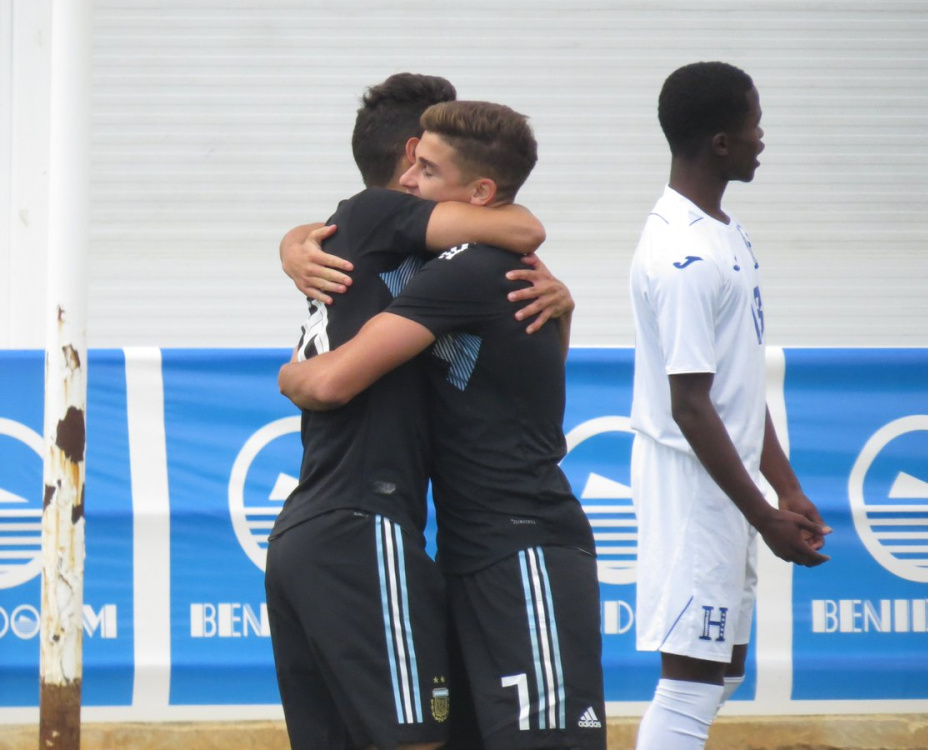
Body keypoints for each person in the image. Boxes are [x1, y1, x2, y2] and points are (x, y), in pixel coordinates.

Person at [279, 100, 607, 750]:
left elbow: (329, 381)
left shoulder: (469, 269)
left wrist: (289, 373)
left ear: (479, 194)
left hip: (526, 547)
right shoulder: (453, 263)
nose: (409, 179)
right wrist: (293, 244)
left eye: (427, 169)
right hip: (473, 554)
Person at [628, 62, 833, 750]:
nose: (762, 138)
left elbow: (737, 380)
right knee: (690, 684)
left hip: (729, 489)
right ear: (720, 142)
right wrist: (764, 517)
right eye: (755, 124)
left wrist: (786, 488)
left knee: (722, 672)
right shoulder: (682, 254)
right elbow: (689, 406)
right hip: (693, 493)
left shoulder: (725, 232)